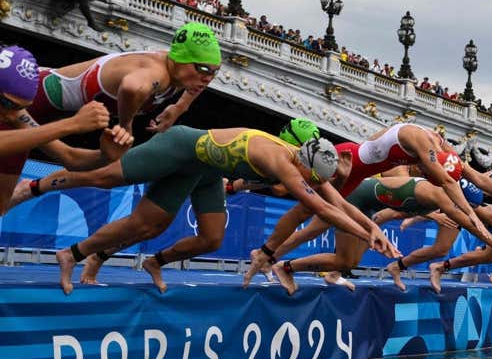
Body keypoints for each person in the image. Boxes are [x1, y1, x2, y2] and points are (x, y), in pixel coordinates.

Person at [10, 127, 397, 294]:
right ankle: (34, 186)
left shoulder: (307, 162)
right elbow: (319, 207)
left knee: (209, 238)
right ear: (306, 166)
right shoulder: (282, 162)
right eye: (312, 179)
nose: (313, 184)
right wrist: (366, 234)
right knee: (106, 178)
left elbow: (338, 202)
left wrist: (371, 229)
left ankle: (112, 258)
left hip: (206, 170)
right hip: (180, 147)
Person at [243, 122, 492, 283]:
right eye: (429, 173)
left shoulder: (443, 150)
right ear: (429, 165)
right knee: (302, 205)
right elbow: (459, 200)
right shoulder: (427, 157)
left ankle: (271, 256)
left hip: (358, 176)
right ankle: (266, 251)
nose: (427, 174)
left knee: (317, 220)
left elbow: (477, 180)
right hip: (346, 165)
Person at [0, 45, 134, 213]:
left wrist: (105, 156)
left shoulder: (14, 114)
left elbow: (70, 157)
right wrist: (72, 124)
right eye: (7, 104)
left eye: (20, 107)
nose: (8, 115)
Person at [27, 22, 219, 136]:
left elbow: (199, 79)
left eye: (214, 72)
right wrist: (126, 125)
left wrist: (180, 107)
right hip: (34, 96)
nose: (208, 78)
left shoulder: (186, 74)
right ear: (180, 59)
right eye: (203, 69)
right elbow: (131, 87)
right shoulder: (157, 72)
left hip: (55, 112)